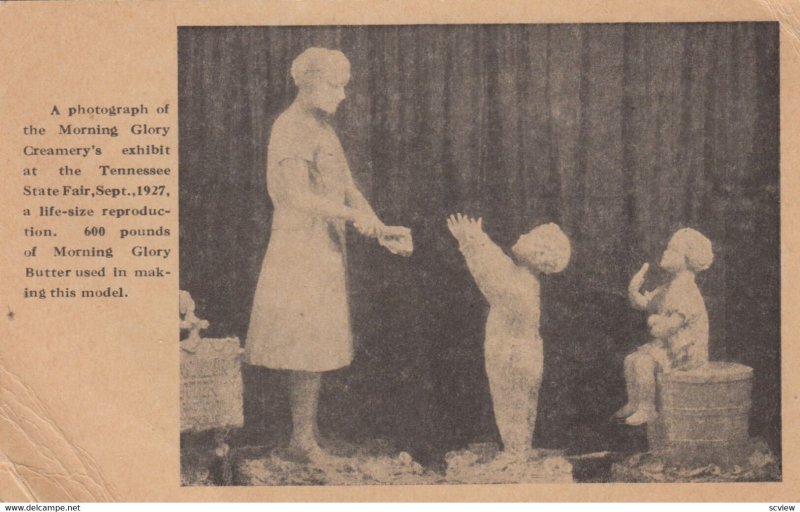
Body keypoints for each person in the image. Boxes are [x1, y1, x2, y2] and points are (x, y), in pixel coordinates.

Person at [245, 47, 410, 464]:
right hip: (299, 246)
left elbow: (347, 186)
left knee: (315, 343)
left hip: (324, 246)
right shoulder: (291, 127)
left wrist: (378, 225)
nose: (342, 95)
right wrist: (354, 216)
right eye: (336, 86)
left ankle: (307, 433)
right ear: (312, 83)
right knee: (304, 343)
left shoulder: (323, 129)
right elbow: (297, 197)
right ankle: (301, 439)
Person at [446, 214, 571, 460]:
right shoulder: (519, 275)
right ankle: (517, 451)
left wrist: (473, 242)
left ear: (540, 255)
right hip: (514, 352)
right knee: (514, 409)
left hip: (514, 355)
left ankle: (517, 454)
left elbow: (491, 277)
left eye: (530, 237)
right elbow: (497, 264)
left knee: (513, 408)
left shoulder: (522, 285)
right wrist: (476, 239)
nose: (522, 236)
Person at [614, 228, 713, 426]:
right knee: (630, 359)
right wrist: (633, 290)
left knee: (643, 362)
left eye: (672, 250)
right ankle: (635, 402)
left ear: (687, 258)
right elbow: (644, 303)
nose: (666, 253)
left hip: (686, 352)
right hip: (669, 346)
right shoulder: (669, 286)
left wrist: (659, 326)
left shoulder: (686, 289)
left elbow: (675, 323)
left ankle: (647, 408)